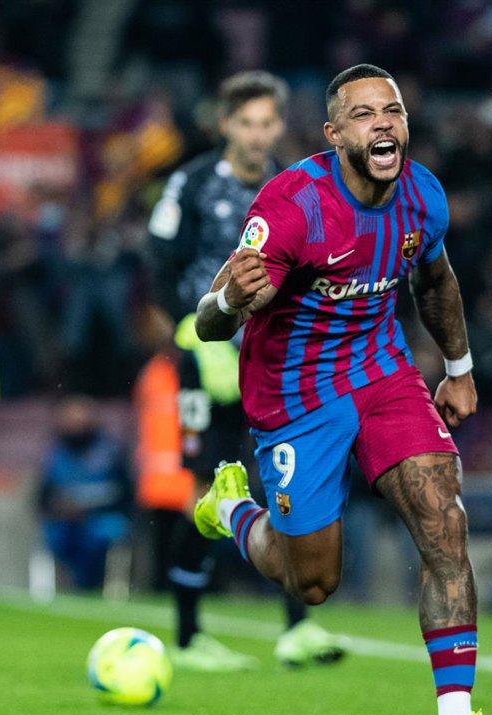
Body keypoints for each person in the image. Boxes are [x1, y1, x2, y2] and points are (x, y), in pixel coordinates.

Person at [191, 64, 492, 715]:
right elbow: (210, 319)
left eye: (392, 110)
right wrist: (230, 302)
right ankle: (232, 509)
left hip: (381, 372)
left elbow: (435, 280)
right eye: (364, 115)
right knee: (313, 583)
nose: (383, 123)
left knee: (444, 522)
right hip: (294, 394)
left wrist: (458, 369)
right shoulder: (293, 204)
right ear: (334, 135)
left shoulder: (423, 196)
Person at [148, 70, 346, 671]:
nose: (258, 135)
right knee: (207, 488)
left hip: (273, 359)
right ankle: (188, 635)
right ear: (226, 125)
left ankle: (296, 627)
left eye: (267, 123)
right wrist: (188, 329)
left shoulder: (294, 186)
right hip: (205, 356)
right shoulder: (191, 183)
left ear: (279, 125)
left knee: (284, 485)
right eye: (247, 123)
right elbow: (158, 265)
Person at [37, 396, 134, 591]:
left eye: (80, 419)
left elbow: (125, 492)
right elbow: (42, 497)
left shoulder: (110, 451)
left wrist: (91, 509)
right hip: (66, 521)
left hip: (102, 517)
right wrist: (61, 508)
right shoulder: (55, 454)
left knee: (103, 534)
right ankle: (70, 585)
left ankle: (101, 584)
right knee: (56, 536)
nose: (75, 425)